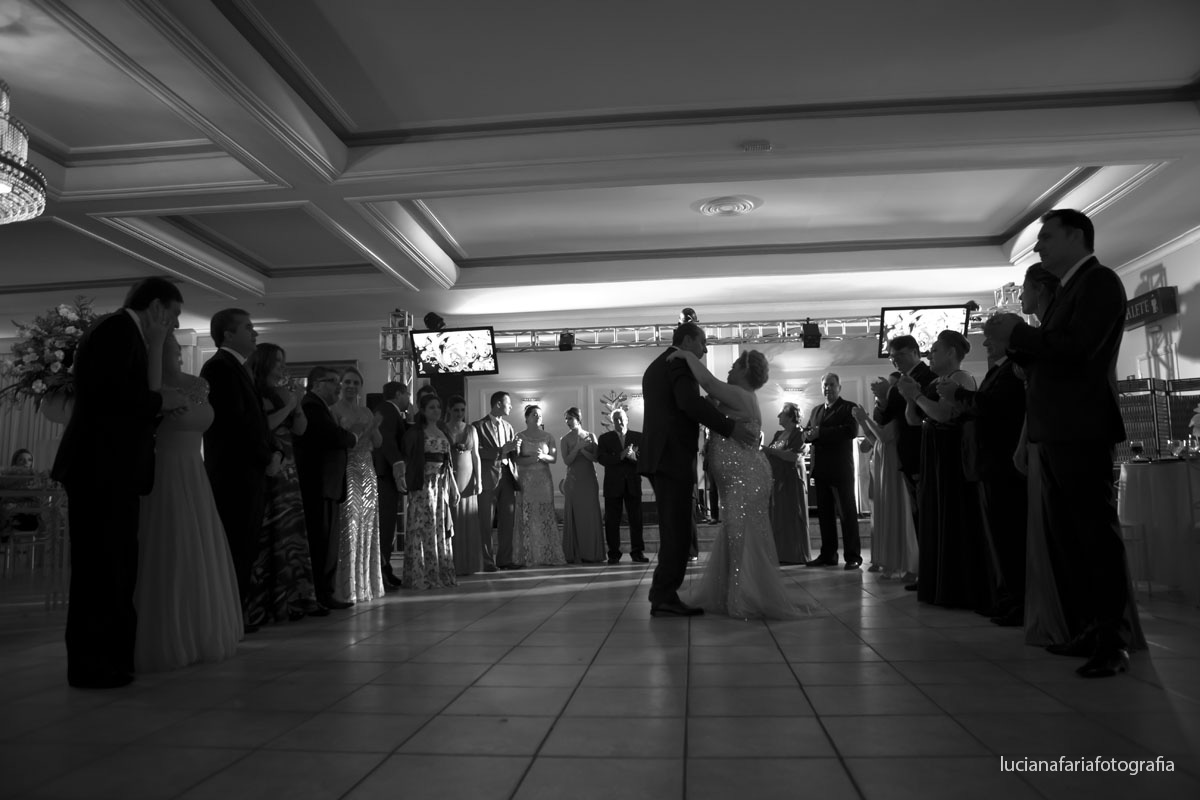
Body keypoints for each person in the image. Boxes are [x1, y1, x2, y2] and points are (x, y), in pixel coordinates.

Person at [985, 208, 1136, 678]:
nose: (1040, 245)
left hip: (1082, 429)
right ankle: (1089, 626)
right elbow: (1053, 357)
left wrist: (1021, 334)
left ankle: (1113, 640)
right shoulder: (1071, 289)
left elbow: (1078, 349)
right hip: (1057, 430)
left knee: (1094, 535)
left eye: (1047, 236)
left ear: (1076, 236)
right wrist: (1016, 346)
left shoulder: (1100, 282)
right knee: (1069, 539)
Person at [52, 276, 184, 688]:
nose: (175, 325)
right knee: (100, 569)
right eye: (174, 315)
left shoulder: (128, 334)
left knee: (118, 567)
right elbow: (113, 397)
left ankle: (112, 659)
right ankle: (92, 666)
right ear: (157, 306)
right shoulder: (114, 330)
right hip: (99, 467)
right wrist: (164, 400)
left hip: (113, 469)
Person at [668, 349, 811, 619]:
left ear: (745, 371)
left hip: (745, 477)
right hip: (746, 476)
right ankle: (734, 593)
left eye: (734, 366)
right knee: (737, 533)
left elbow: (708, 383)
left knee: (738, 535)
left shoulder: (741, 394)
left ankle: (741, 599)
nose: (730, 371)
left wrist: (687, 356)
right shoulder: (743, 397)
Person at [134, 334, 242, 671]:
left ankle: (199, 626)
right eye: (166, 345)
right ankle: (165, 632)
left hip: (195, 471)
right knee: (172, 542)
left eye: (175, 345)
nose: (175, 350)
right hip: (164, 469)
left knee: (198, 545)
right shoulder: (150, 388)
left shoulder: (200, 384)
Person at [638, 321, 754, 618]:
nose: (704, 350)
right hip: (671, 457)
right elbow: (688, 404)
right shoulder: (677, 363)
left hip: (663, 457)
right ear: (688, 340)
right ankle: (664, 597)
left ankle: (661, 593)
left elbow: (681, 404)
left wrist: (708, 403)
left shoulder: (658, 365)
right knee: (677, 530)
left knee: (674, 528)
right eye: (703, 343)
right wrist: (730, 427)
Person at [944, 330, 1027, 625]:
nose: (986, 342)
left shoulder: (1012, 371)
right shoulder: (999, 370)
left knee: (1009, 536)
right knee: (998, 536)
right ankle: (1006, 597)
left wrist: (958, 397)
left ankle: (1017, 601)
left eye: (993, 337)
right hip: (986, 463)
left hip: (1000, 462)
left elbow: (992, 407)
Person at [201, 308, 276, 633]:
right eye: (248, 328)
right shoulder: (219, 368)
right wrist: (266, 456)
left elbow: (253, 421)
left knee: (245, 545)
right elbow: (235, 424)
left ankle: (237, 614)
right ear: (228, 334)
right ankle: (230, 617)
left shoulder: (237, 368)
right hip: (234, 474)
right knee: (234, 545)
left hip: (247, 472)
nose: (255, 334)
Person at [898, 329, 984, 610]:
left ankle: (957, 585)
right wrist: (911, 397)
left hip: (951, 456)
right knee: (933, 515)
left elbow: (943, 415)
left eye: (935, 350)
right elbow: (913, 420)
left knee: (952, 515)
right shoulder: (936, 381)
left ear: (950, 353)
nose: (930, 355)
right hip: (933, 453)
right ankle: (937, 581)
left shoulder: (960, 379)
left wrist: (918, 397)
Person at [246, 343, 326, 623]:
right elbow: (262, 426)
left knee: (291, 531)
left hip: (289, 464)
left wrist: (298, 404)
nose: (282, 365)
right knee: (271, 530)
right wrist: (291, 405)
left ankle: (295, 596)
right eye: (277, 361)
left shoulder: (283, 392)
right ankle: (265, 600)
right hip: (269, 462)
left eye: (283, 361)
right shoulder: (254, 391)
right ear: (264, 362)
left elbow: (300, 429)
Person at [293, 367, 358, 610]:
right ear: (318, 384)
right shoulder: (312, 406)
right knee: (320, 543)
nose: (339, 387)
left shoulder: (318, 406)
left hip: (326, 484)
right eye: (334, 382)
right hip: (318, 484)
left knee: (326, 543)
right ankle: (321, 594)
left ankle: (324, 592)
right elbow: (332, 436)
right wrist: (351, 437)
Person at [876, 335, 936, 591]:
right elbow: (887, 415)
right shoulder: (901, 380)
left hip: (922, 451)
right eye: (891, 357)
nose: (895, 361)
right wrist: (882, 398)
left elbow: (913, 414)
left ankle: (930, 574)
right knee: (918, 515)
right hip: (908, 455)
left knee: (925, 515)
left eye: (898, 356)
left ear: (914, 351)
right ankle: (926, 573)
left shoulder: (925, 375)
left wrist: (888, 397)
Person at [853, 374, 918, 579]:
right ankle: (885, 559)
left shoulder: (899, 414)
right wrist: (863, 423)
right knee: (882, 510)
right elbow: (874, 440)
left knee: (896, 510)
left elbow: (884, 436)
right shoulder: (884, 413)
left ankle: (906, 562)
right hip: (881, 463)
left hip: (893, 463)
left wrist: (865, 419)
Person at [330, 368, 384, 605]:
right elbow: (344, 442)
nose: (351, 386)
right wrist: (367, 429)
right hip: (348, 468)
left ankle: (366, 584)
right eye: (347, 382)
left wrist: (375, 426)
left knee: (367, 524)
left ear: (361, 386)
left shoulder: (366, 411)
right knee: (349, 523)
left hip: (368, 469)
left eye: (355, 383)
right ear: (341, 385)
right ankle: (346, 586)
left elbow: (378, 443)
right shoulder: (333, 410)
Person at [803, 373, 863, 570]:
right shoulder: (816, 410)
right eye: (824, 385)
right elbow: (808, 432)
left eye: (831, 385)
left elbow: (851, 432)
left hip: (840, 470)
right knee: (825, 516)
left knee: (847, 514)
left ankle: (853, 556)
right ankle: (828, 555)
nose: (827, 388)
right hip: (820, 470)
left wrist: (822, 433)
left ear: (839, 387)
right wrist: (807, 435)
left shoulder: (848, 408)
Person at [403, 393, 459, 588]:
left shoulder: (442, 431)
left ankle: (438, 572)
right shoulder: (416, 432)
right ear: (423, 411)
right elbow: (409, 460)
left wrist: (453, 486)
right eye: (431, 407)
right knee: (422, 525)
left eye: (438, 407)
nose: (436, 410)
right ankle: (421, 574)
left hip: (440, 484)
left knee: (438, 526)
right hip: (423, 484)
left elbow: (447, 462)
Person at [513, 404, 565, 566]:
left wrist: (543, 456)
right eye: (534, 414)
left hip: (543, 480)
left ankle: (547, 554)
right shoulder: (519, 436)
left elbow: (554, 458)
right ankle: (528, 554)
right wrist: (530, 460)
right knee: (527, 514)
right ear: (527, 417)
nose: (537, 417)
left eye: (540, 415)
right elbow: (515, 459)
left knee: (544, 513)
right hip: (526, 479)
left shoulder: (548, 436)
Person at [474, 391, 520, 570]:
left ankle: (505, 560)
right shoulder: (478, 426)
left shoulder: (509, 426)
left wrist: (515, 449)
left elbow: (510, 451)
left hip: (508, 476)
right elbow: (476, 451)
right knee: (486, 522)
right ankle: (486, 562)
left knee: (508, 520)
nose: (511, 407)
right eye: (508, 403)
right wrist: (501, 451)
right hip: (488, 478)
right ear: (498, 404)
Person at [763, 403, 811, 565]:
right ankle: (780, 553)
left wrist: (770, 451)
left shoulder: (799, 433)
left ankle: (795, 554)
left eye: (782, 413)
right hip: (777, 480)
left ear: (791, 416)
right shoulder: (778, 434)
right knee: (779, 516)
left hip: (792, 479)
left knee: (792, 514)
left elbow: (793, 457)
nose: (778, 416)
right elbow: (773, 454)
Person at [373, 381, 410, 589]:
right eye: (407, 395)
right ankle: (381, 572)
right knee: (385, 526)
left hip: (386, 476)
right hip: (385, 475)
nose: (409, 400)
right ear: (399, 394)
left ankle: (385, 570)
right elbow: (388, 441)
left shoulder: (393, 412)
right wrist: (398, 467)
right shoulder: (387, 409)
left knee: (388, 526)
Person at [597, 408, 646, 564]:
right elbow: (602, 459)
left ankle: (637, 552)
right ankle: (613, 554)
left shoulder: (638, 436)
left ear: (627, 419)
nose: (619, 421)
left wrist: (632, 457)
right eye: (616, 419)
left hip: (633, 483)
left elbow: (645, 458)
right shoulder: (605, 438)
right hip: (613, 485)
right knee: (612, 522)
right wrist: (620, 455)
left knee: (636, 520)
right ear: (613, 422)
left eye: (621, 418)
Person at [560, 407, 605, 564]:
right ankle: (575, 554)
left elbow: (597, 458)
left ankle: (592, 553)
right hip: (573, 481)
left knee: (590, 515)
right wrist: (577, 448)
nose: (568, 421)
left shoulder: (590, 436)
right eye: (566, 419)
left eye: (570, 418)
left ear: (578, 418)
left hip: (589, 480)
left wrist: (584, 452)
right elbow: (567, 461)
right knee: (575, 516)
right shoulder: (564, 439)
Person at [445, 394, 482, 576]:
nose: (459, 413)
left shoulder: (471, 429)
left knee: (468, 518)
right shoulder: (442, 428)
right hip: (450, 475)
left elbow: (476, 455)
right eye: (456, 410)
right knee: (452, 517)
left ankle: (469, 563)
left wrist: (479, 480)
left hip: (468, 476)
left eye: (462, 410)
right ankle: (452, 563)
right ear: (449, 410)